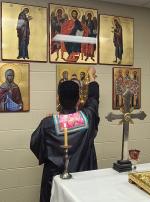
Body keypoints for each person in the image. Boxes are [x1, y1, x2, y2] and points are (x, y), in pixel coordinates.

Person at [30, 67, 100, 202]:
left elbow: (35, 144)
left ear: (58, 99)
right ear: (79, 100)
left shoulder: (48, 123)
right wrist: (92, 78)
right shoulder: (87, 117)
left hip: (55, 183)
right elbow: (93, 99)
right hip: (83, 180)